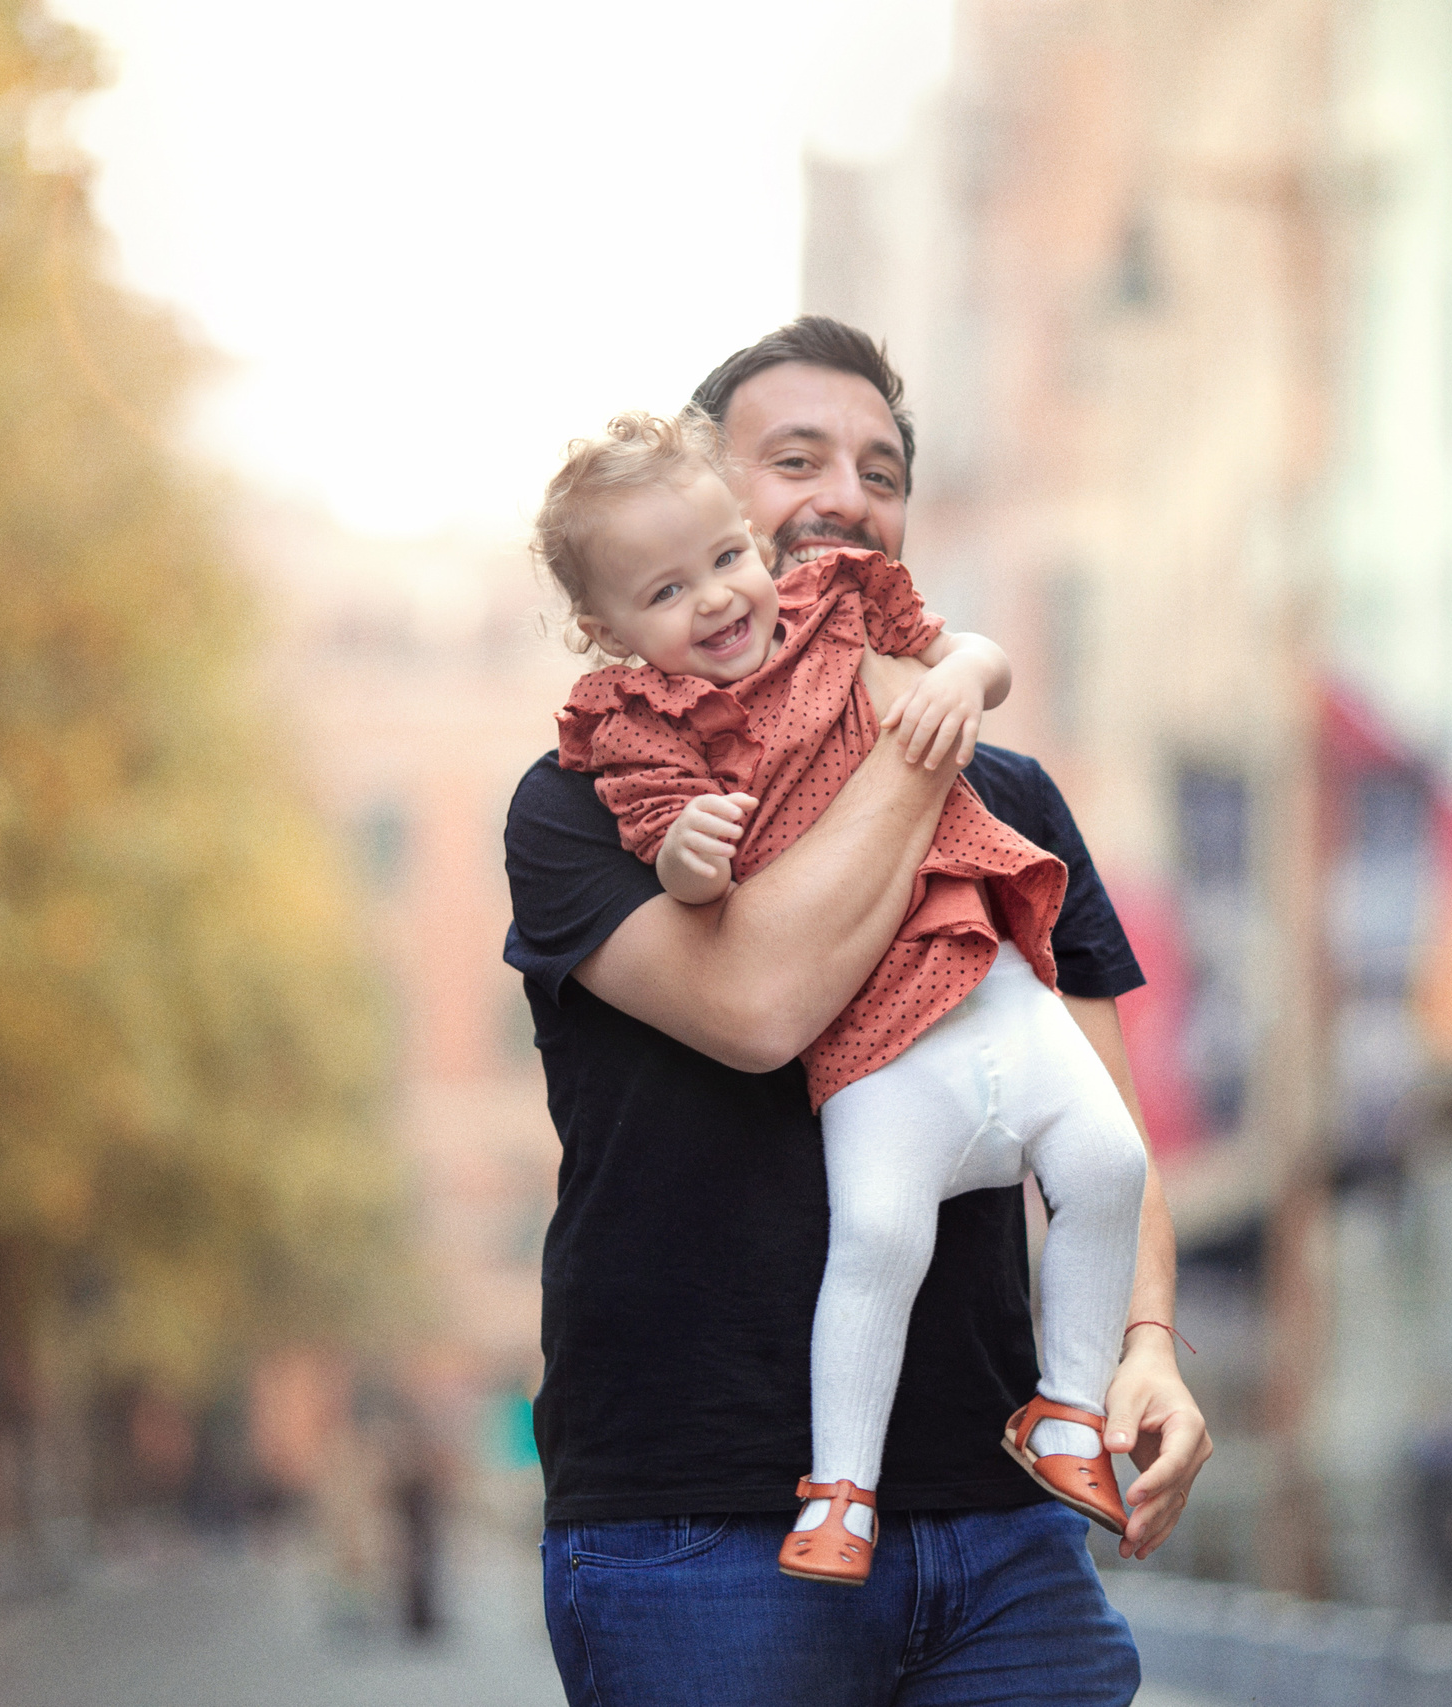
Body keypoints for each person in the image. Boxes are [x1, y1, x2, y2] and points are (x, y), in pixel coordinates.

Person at [504, 317, 1209, 1706]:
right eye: (796, 457)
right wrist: (903, 726)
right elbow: (761, 1001)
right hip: (703, 1529)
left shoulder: (1014, 795)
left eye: (879, 467)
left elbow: (1099, 1110)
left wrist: (1148, 1347)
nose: (845, 491)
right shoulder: (585, 799)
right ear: (712, 495)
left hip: (1001, 1520)